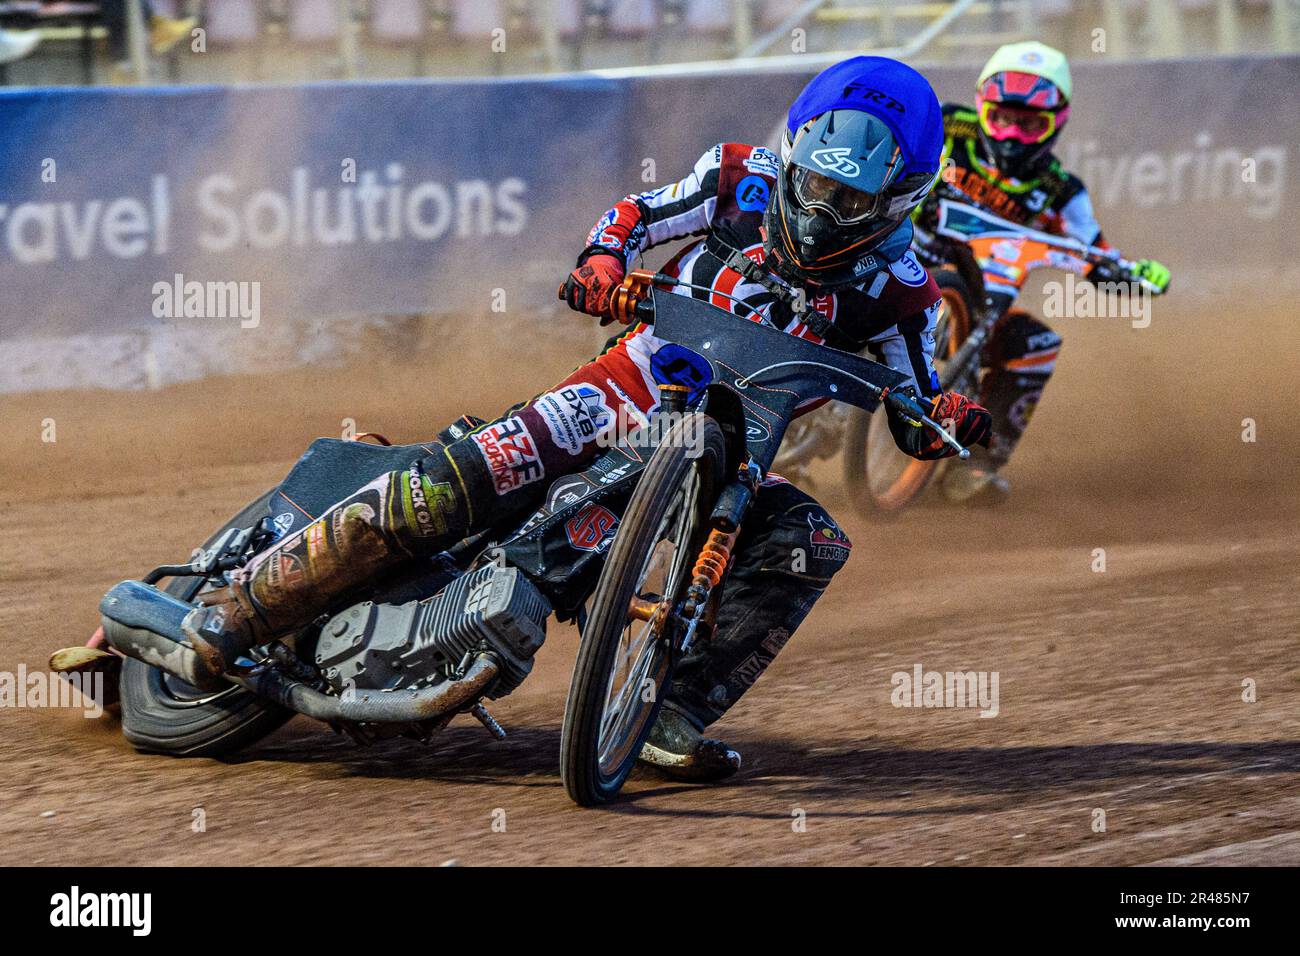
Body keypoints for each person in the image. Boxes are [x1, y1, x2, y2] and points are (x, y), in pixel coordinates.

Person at [181, 57, 991, 781]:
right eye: (816, 183)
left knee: (811, 541)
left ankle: (667, 713)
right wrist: (602, 265)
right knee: (472, 473)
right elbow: (634, 216)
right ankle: (244, 607)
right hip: (629, 385)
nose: (822, 210)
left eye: (850, 198)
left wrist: (947, 416)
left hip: (744, 449)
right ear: (795, 155)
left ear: (898, 203)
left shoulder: (906, 295)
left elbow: (918, 415)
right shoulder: (736, 179)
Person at [916, 41, 1171, 504]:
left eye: (1031, 124)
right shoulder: (945, 125)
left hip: (977, 301)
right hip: (898, 260)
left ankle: (975, 469)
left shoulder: (1061, 190)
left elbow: (1096, 252)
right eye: (1004, 118)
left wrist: (1133, 275)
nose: (1013, 135)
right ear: (981, 108)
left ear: (1057, 124)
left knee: (1037, 346)